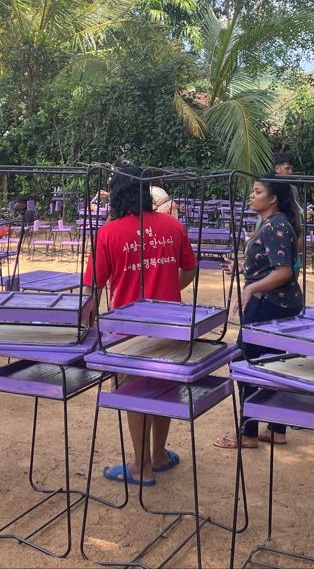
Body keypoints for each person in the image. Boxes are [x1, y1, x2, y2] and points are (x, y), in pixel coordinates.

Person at [83, 162, 198, 486]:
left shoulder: (108, 233)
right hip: (170, 327)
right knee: (163, 388)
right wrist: (170, 287)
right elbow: (189, 269)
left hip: (126, 332)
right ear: (146, 191)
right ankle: (158, 455)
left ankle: (140, 466)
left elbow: (93, 286)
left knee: (133, 393)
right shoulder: (172, 226)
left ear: (115, 194)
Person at [215, 176, 305, 449]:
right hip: (280, 303)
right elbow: (270, 265)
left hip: (269, 304)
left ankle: (248, 432)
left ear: (273, 198)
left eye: (257, 192)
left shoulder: (274, 226)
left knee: (246, 364)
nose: (251, 196)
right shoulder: (271, 225)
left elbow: (283, 271)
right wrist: (242, 269)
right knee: (276, 364)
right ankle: (277, 430)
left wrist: (251, 287)